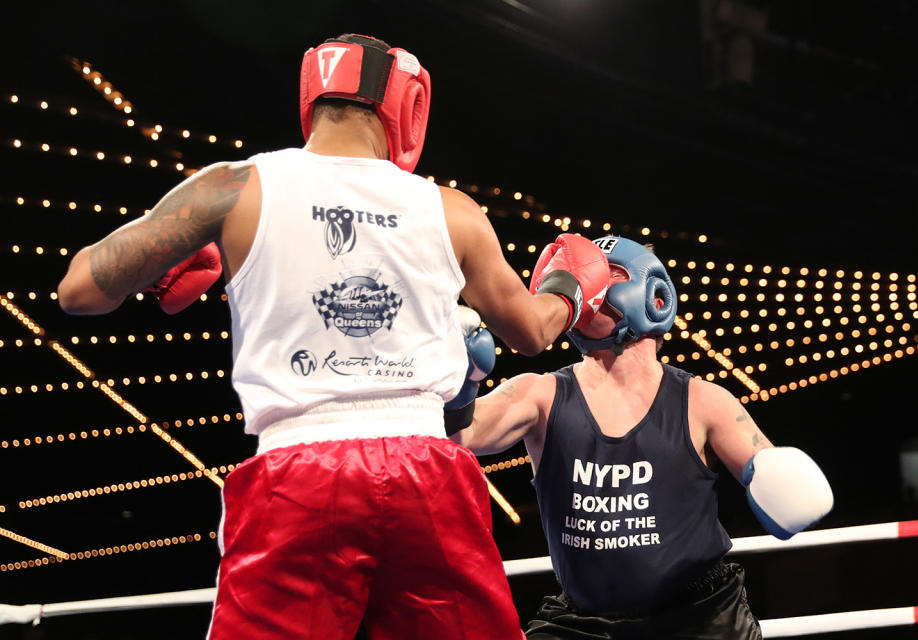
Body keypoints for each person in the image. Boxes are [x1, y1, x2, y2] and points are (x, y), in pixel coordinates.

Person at [56, 33, 612, 640]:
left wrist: (160, 264)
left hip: (296, 473)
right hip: (426, 471)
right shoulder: (450, 211)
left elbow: (78, 290)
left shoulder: (232, 188)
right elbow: (532, 331)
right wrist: (568, 287)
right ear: (405, 103)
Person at [451, 235, 835, 639]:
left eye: (606, 274)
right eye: (580, 278)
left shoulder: (702, 401)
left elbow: (778, 480)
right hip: (586, 622)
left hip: (699, 619)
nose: (589, 287)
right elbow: (461, 435)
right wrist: (461, 385)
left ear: (651, 293)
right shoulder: (540, 393)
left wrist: (778, 478)